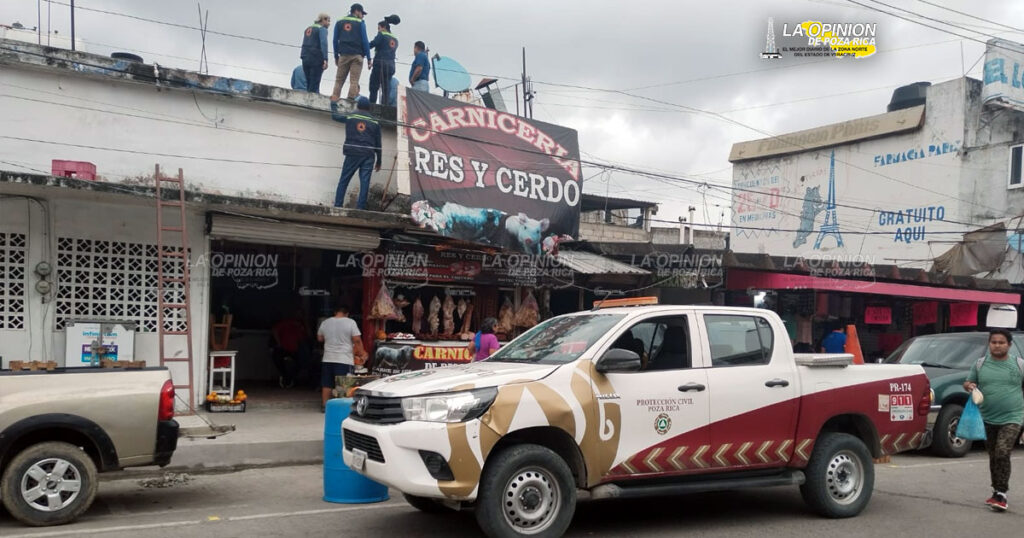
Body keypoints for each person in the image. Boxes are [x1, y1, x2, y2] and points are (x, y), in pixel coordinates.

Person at [964, 329, 1024, 512]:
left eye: (1001, 342)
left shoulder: (1019, 365)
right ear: (989, 344)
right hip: (987, 418)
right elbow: (968, 382)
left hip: (1013, 417)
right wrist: (970, 386)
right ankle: (997, 491)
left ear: (1009, 345)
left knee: (1002, 452)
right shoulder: (980, 364)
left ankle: (1002, 494)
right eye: (994, 342)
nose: (997, 345)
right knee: (993, 456)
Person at [329, 96, 382, 209]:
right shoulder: (375, 122)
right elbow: (378, 143)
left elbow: (335, 116)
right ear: (369, 108)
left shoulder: (351, 116)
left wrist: (333, 103)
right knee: (365, 183)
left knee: (344, 180)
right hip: (368, 155)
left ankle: (338, 205)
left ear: (358, 105)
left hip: (352, 153)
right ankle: (360, 208)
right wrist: (379, 161)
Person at [317, 303, 366, 411]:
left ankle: (325, 406)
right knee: (344, 384)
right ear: (347, 313)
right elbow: (357, 340)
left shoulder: (325, 322)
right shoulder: (350, 322)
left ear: (335, 312)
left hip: (328, 358)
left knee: (327, 383)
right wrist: (362, 353)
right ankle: (342, 407)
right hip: (344, 359)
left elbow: (320, 338)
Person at [331, 3, 371, 101]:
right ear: (357, 11)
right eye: (362, 13)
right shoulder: (360, 22)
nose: (362, 16)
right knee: (354, 81)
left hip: (343, 55)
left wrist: (336, 56)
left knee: (339, 80)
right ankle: (350, 100)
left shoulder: (339, 21)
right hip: (357, 55)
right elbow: (365, 41)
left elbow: (335, 40)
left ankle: (334, 99)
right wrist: (369, 58)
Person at [271, 310, 310, 388]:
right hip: (283, 348)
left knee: (303, 361)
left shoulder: (301, 326)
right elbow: (274, 330)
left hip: (295, 349)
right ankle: (284, 376)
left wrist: (305, 324)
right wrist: (279, 342)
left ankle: (291, 378)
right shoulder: (286, 322)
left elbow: (307, 336)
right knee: (277, 358)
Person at [368, 15, 400, 105]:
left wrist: (363, 47)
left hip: (379, 65)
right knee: (386, 88)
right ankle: (385, 106)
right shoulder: (395, 39)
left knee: (374, 86)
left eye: (379, 28)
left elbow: (373, 44)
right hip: (390, 67)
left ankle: (372, 105)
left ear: (384, 27)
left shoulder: (382, 35)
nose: (378, 30)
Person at [299, 13, 331, 93]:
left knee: (308, 82)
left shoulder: (308, 29)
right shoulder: (322, 29)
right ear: (323, 19)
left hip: (305, 57)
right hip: (316, 58)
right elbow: (324, 43)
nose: (329, 23)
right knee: (314, 83)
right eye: (328, 21)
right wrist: (325, 59)